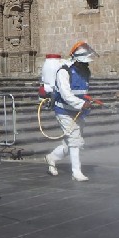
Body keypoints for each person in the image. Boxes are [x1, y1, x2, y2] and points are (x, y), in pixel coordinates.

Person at [44, 41, 98, 182]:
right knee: (74, 140)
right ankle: (76, 172)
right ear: (76, 60)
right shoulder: (64, 72)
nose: (86, 65)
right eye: (83, 62)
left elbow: (82, 91)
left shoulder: (85, 72)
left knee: (72, 143)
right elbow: (66, 95)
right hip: (64, 110)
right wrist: (82, 104)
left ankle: (51, 157)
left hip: (78, 111)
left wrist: (87, 101)